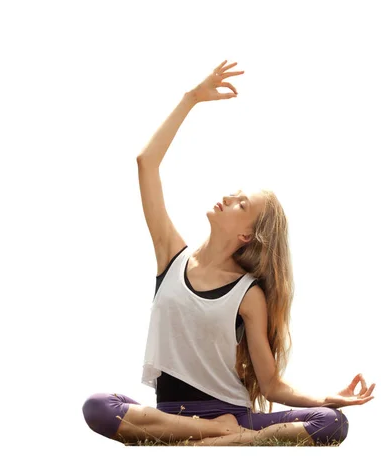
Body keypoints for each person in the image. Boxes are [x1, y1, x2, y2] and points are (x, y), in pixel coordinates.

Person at [82, 60, 376, 446]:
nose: (227, 198)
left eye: (240, 204)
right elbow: (146, 163)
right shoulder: (171, 256)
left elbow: (270, 384)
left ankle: (227, 438)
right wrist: (191, 99)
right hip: (176, 418)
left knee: (331, 422)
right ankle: (216, 435)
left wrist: (326, 398)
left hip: (232, 416)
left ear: (246, 236)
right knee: (97, 406)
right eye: (234, 195)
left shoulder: (248, 293)